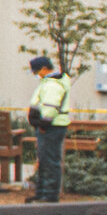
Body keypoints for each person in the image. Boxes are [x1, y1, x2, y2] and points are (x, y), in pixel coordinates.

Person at [26, 55, 72, 202]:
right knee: (45, 160)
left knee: (49, 161)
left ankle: (49, 195)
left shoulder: (52, 85)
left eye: (37, 71)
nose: (35, 74)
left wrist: (43, 123)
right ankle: (42, 193)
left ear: (45, 69)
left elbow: (50, 107)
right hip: (52, 125)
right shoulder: (49, 82)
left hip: (51, 126)